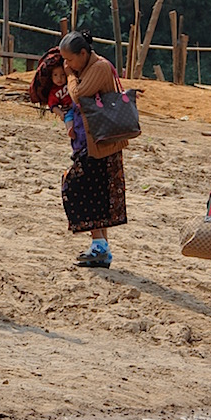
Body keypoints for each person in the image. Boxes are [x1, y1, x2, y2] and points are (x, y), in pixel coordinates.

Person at [58, 31, 128, 268]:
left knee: (79, 188)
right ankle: (101, 249)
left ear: (83, 53)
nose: (68, 65)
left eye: (70, 60)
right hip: (90, 141)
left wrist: (69, 76)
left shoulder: (99, 68)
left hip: (100, 144)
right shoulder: (86, 68)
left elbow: (78, 95)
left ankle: (99, 245)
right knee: (97, 195)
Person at [29, 47, 84, 157]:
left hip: (78, 106)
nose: (59, 78)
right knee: (68, 118)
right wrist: (60, 113)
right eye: (55, 75)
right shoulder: (53, 92)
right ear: (51, 77)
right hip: (67, 109)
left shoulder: (70, 83)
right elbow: (52, 105)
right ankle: (70, 130)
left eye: (62, 75)